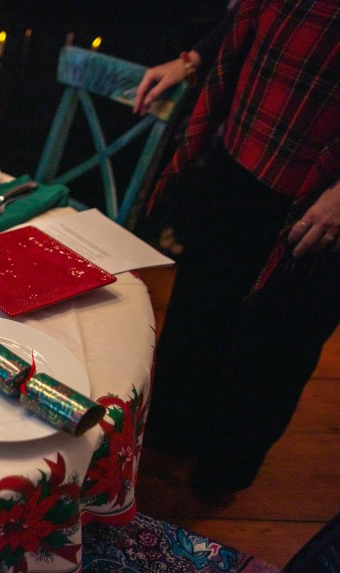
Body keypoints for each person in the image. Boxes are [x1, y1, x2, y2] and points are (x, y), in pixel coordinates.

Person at [135, 0, 340, 499]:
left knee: (280, 340)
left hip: (322, 192)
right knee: (200, 305)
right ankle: (170, 432)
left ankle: (224, 472)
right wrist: (194, 59)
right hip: (243, 145)